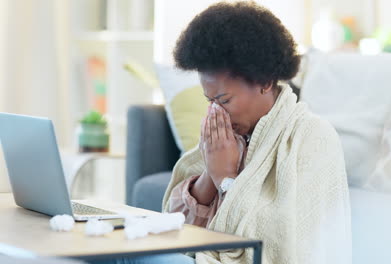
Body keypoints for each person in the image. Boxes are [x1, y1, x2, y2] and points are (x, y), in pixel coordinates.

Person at [91, 2, 351, 264]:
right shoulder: (228, 138)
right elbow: (179, 229)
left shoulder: (312, 136)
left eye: (224, 100)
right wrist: (211, 174)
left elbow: (281, 241)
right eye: (209, 100)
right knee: (110, 249)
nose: (217, 112)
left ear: (265, 81)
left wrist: (227, 179)